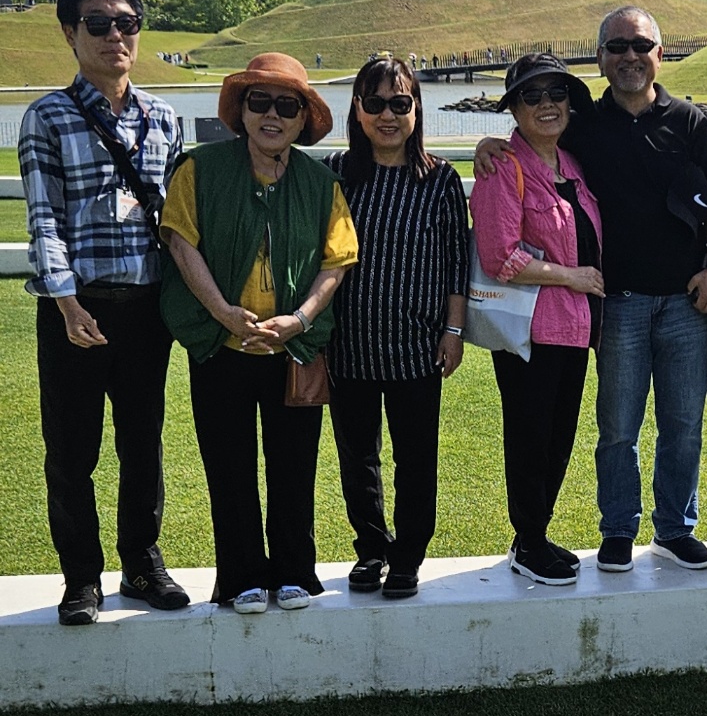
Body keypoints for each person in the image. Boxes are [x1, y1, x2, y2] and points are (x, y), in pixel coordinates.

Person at [476, 7, 707, 574]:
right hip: (614, 304)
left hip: (685, 302)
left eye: (640, 45)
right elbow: (530, 142)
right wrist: (489, 145)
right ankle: (617, 528)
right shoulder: (585, 125)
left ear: (660, 53)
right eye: (616, 47)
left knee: (683, 423)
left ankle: (674, 528)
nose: (629, 56)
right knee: (617, 425)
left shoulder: (689, 122)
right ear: (601, 58)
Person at [20, 0, 189, 626]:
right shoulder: (48, 117)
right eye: (98, 23)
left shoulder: (165, 117)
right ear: (70, 32)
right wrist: (66, 303)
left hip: (145, 306)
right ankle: (81, 578)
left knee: (143, 442)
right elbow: (44, 221)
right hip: (76, 305)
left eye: (127, 22)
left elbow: (177, 222)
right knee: (71, 449)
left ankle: (142, 562)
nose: (115, 34)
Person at [159, 53, 357, 613]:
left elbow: (336, 261)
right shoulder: (200, 169)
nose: (272, 115)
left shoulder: (321, 182)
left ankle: (294, 570)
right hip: (222, 344)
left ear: (302, 119)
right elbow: (180, 242)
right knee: (228, 465)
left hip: (292, 346)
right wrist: (223, 312)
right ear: (241, 111)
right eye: (259, 101)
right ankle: (242, 574)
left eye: (286, 105)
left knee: (295, 464)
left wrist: (298, 320)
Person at [325, 57, 468, 599]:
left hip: (417, 346)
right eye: (376, 103)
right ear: (358, 110)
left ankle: (407, 556)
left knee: (415, 457)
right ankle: (371, 549)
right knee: (356, 456)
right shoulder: (336, 173)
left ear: (417, 109)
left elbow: (457, 263)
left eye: (401, 103)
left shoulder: (440, 180)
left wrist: (453, 332)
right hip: (348, 345)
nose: (389, 115)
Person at [471, 54, 603, 585]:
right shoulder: (502, 167)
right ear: (514, 107)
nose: (547, 105)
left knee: (558, 438)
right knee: (529, 439)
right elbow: (501, 254)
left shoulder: (572, 164)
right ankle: (528, 540)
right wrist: (572, 277)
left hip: (573, 331)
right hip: (529, 332)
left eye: (556, 94)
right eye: (532, 96)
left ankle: (536, 533)